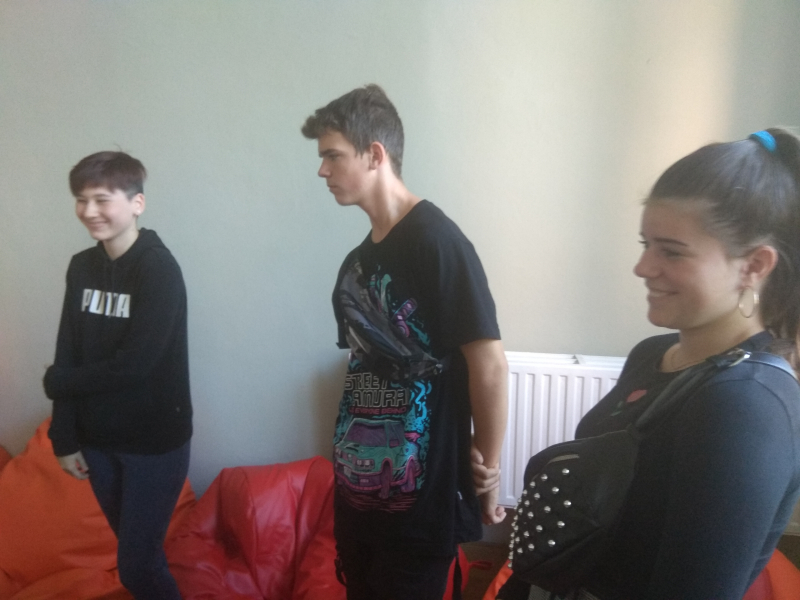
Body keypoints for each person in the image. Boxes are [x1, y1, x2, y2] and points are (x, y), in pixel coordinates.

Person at [497, 128, 800, 600]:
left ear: (754, 265)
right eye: (646, 243)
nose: (642, 268)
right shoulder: (651, 355)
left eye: (671, 251)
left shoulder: (747, 405)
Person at [301, 84, 509, 600]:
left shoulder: (437, 241)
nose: (322, 170)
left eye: (333, 155)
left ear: (375, 155)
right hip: (358, 498)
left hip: (420, 504)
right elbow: (364, 369)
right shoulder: (355, 264)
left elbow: (489, 365)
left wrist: (486, 467)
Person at [43, 151, 192, 600]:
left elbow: (136, 364)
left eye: (102, 199)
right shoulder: (81, 266)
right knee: (142, 560)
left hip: (153, 445)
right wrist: (63, 436)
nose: (89, 211)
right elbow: (68, 349)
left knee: (136, 567)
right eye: (81, 199)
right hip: (97, 442)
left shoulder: (159, 269)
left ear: (136, 203)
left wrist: (58, 382)